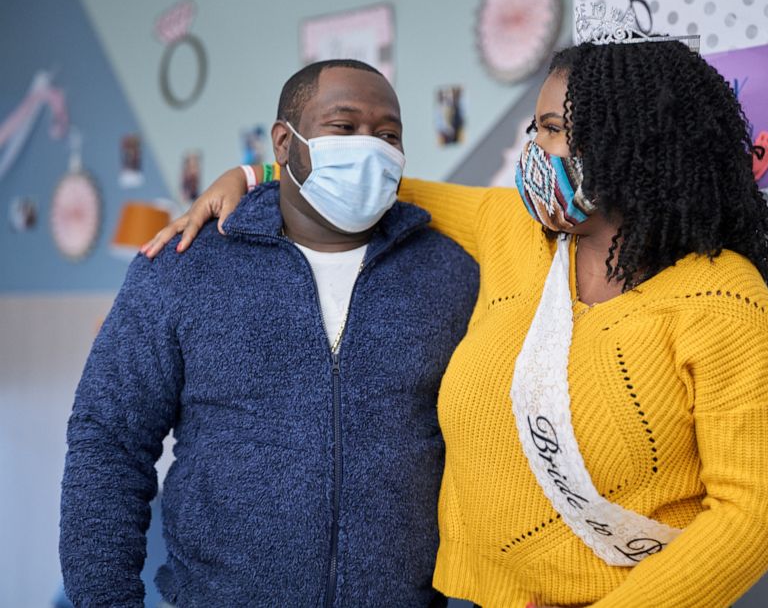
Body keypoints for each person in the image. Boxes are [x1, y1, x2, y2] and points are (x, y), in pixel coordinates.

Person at [146, 27, 768, 607]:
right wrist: (250, 170)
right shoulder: (511, 229)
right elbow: (364, 182)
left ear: (631, 143)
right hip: (467, 598)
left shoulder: (724, 302)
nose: (534, 147)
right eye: (535, 127)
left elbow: (757, 514)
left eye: (551, 129)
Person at [60, 59, 478, 607]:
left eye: (388, 134)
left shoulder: (449, 273)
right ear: (285, 142)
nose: (369, 147)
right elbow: (108, 442)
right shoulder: (185, 264)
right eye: (344, 127)